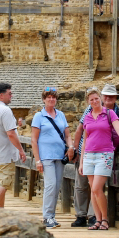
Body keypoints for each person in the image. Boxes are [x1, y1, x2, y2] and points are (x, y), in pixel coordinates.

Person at [72, 84, 119, 227]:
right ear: (88, 101)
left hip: (104, 154)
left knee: (97, 188)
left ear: (100, 99)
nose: (94, 102)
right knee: (93, 189)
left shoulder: (110, 113)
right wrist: (81, 161)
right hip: (89, 155)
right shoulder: (87, 117)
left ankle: (105, 219)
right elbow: (85, 139)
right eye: (91, 100)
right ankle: (97, 220)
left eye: (96, 99)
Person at [31, 87, 73, 229]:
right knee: (50, 185)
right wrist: (37, 160)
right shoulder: (39, 116)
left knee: (56, 186)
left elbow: (67, 135)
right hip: (46, 156)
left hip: (59, 156)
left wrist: (71, 147)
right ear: (44, 99)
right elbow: (33, 140)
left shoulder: (61, 115)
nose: (51, 99)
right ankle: (47, 217)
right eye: (48, 97)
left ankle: (51, 216)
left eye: (53, 97)